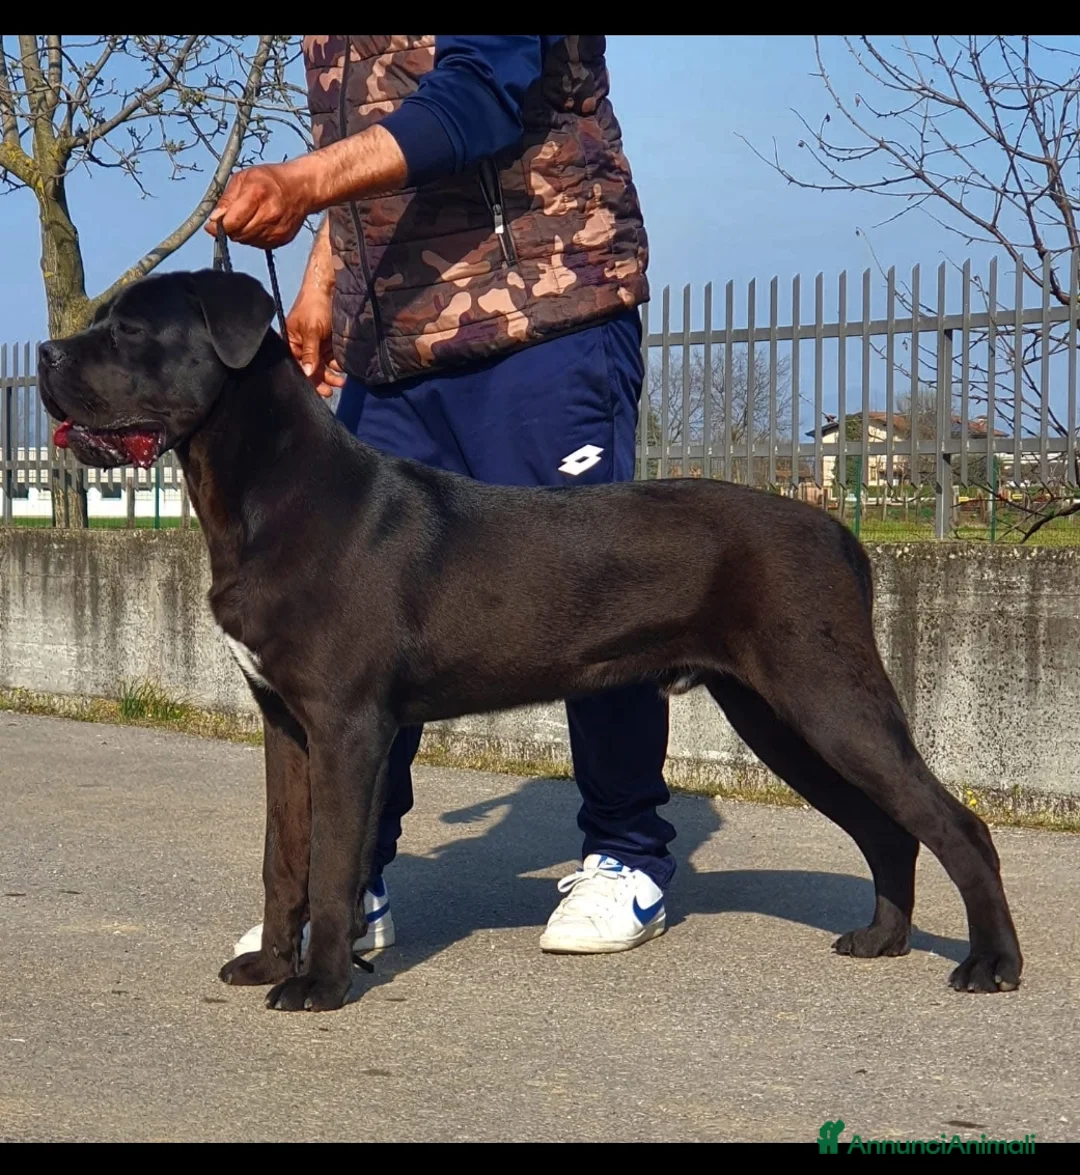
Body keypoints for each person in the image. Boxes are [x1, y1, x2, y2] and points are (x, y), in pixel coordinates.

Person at [209, 35, 675, 957]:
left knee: (591, 590)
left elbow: (475, 99)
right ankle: (351, 884)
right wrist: (324, 279)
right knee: (351, 625)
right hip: (396, 343)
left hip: (543, 313)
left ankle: (628, 851)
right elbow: (377, 147)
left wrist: (301, 184)